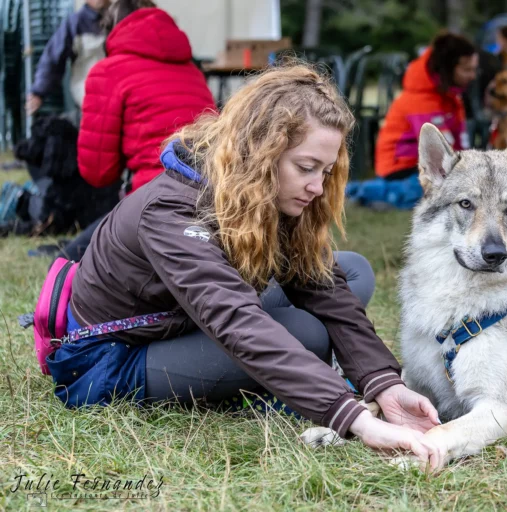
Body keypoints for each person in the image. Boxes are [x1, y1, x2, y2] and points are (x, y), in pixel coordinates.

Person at [46, 64, 445, 468]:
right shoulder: (169, 210)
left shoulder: (268, 192)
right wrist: (356, 418)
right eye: (306, 168)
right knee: (305, 333)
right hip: (112, 359)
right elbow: (235, 319)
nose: (317, 187)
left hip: (188, 320)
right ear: (260, 151)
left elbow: (324, 288)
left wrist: (385, 384)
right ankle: (293, 378)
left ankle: (296, 374)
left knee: (351, 270)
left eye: (325, 171)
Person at [57, 0, 216, 262]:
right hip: (213, 200)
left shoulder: (107, 72)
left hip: (155, 206)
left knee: (65, 262)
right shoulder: (193, 71)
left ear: (112, 29)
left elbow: (97, 172)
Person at [375, 32, 478, 181]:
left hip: (428, 166)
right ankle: (364, 191)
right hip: (399, 169)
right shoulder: (420, 100)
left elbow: (460, 144)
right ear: (447, 69)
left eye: (474, 69)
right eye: (467, 70)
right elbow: (442, 152)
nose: (473, 76)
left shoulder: (451, 97)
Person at [26, 0, 110, 115]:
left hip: (123, 97)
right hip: (91, 102)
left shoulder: (121, 18)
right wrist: (38, 92)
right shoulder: (75, 23)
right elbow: (52, 59)